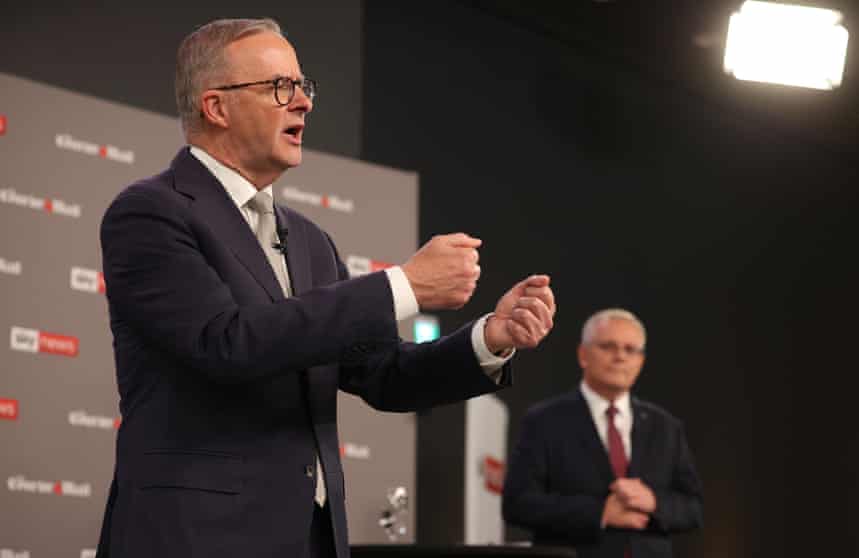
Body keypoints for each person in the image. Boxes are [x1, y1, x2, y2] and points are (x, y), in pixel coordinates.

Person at [95, 18, 556, 558]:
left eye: (302, 86)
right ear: (216, 107)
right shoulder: (151, 213)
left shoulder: (311, 241)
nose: (304, 104)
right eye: (279, 87)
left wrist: (488, 340)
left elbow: (384, 377)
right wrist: (402, 286)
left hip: (310, 539)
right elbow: (224, 342)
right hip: (196, 536)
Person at [502, 309, 701, 558]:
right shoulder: (544, 421)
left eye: (631, 349)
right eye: (608, 346)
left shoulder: (666, 427)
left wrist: (654, 502)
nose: (620, 356)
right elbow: (517, 504)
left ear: (641, 361)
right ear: (583, 354)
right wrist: (599, 513)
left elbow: (693, 509)